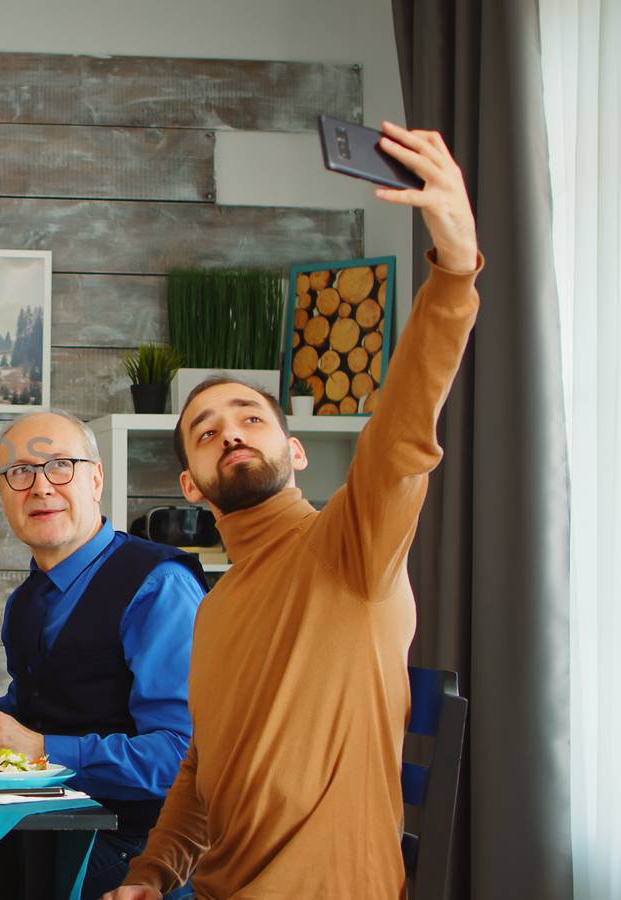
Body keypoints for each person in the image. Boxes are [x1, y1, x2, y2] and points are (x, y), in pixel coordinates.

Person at [106, 122, 481, 898]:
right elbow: (202, 770)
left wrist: (452, 270)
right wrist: (152, 874)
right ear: (191, 487)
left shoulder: (352, 544)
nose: (229, 433)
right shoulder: (214, 608)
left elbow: (405, 432)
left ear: (296, 451)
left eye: (250, 417)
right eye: (204, 433)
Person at [0, 411, 207, 896]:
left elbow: (180, 756)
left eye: (60, 465)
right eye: (19, 473)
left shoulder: (160, 587)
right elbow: (38, 705)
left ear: (96, 479)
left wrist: (42, 749)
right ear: (2, 495)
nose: (40, 487)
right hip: (48, 832)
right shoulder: (25, 601)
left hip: (136, 854)